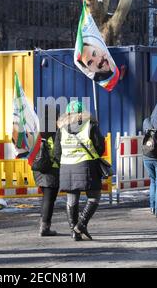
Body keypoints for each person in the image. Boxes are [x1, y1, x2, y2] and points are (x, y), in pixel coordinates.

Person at [54, 100, 105, 241]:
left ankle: (74, 232)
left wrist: (66, 160)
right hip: (86, 165)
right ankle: (81, 225)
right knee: (94, 196)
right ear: (83, 112)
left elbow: (56, 152)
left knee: (72, 199)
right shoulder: (90, 125)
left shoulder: (61, 128)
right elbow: (100, 147)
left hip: (66, 166)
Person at [32, 105, 60, 236]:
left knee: (46, 198)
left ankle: (43, 224)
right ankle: (45, 227)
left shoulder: (37, 129)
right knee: (49, 199)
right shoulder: (55, 131)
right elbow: (57, 151)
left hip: (38, 169)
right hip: (51, 169)